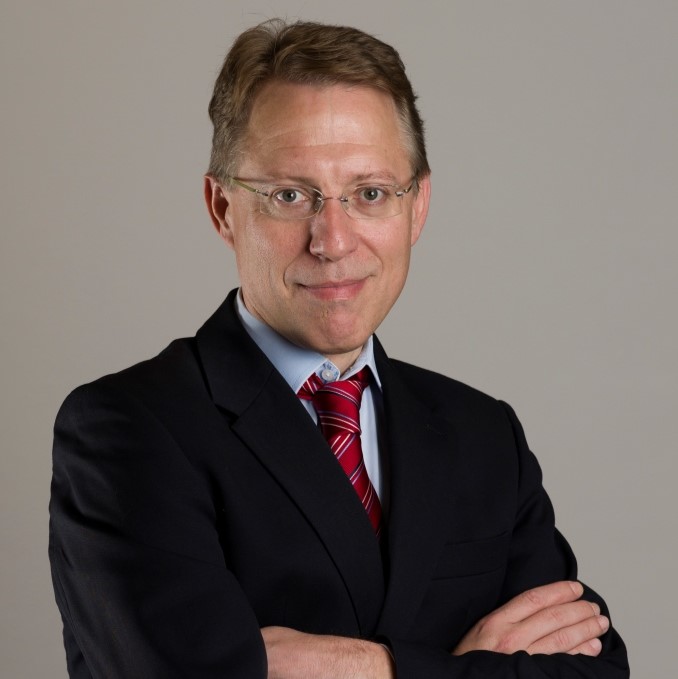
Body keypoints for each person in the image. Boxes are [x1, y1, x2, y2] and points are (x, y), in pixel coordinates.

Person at [49, 18, 629, 679]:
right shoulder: (126, 430)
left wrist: (364, 666)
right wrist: (467, 666)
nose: (332, 239)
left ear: (417, 207)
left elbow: (596, 671)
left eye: (370, 193)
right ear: (222, 208)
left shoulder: (483, 435)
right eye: (290, 195)